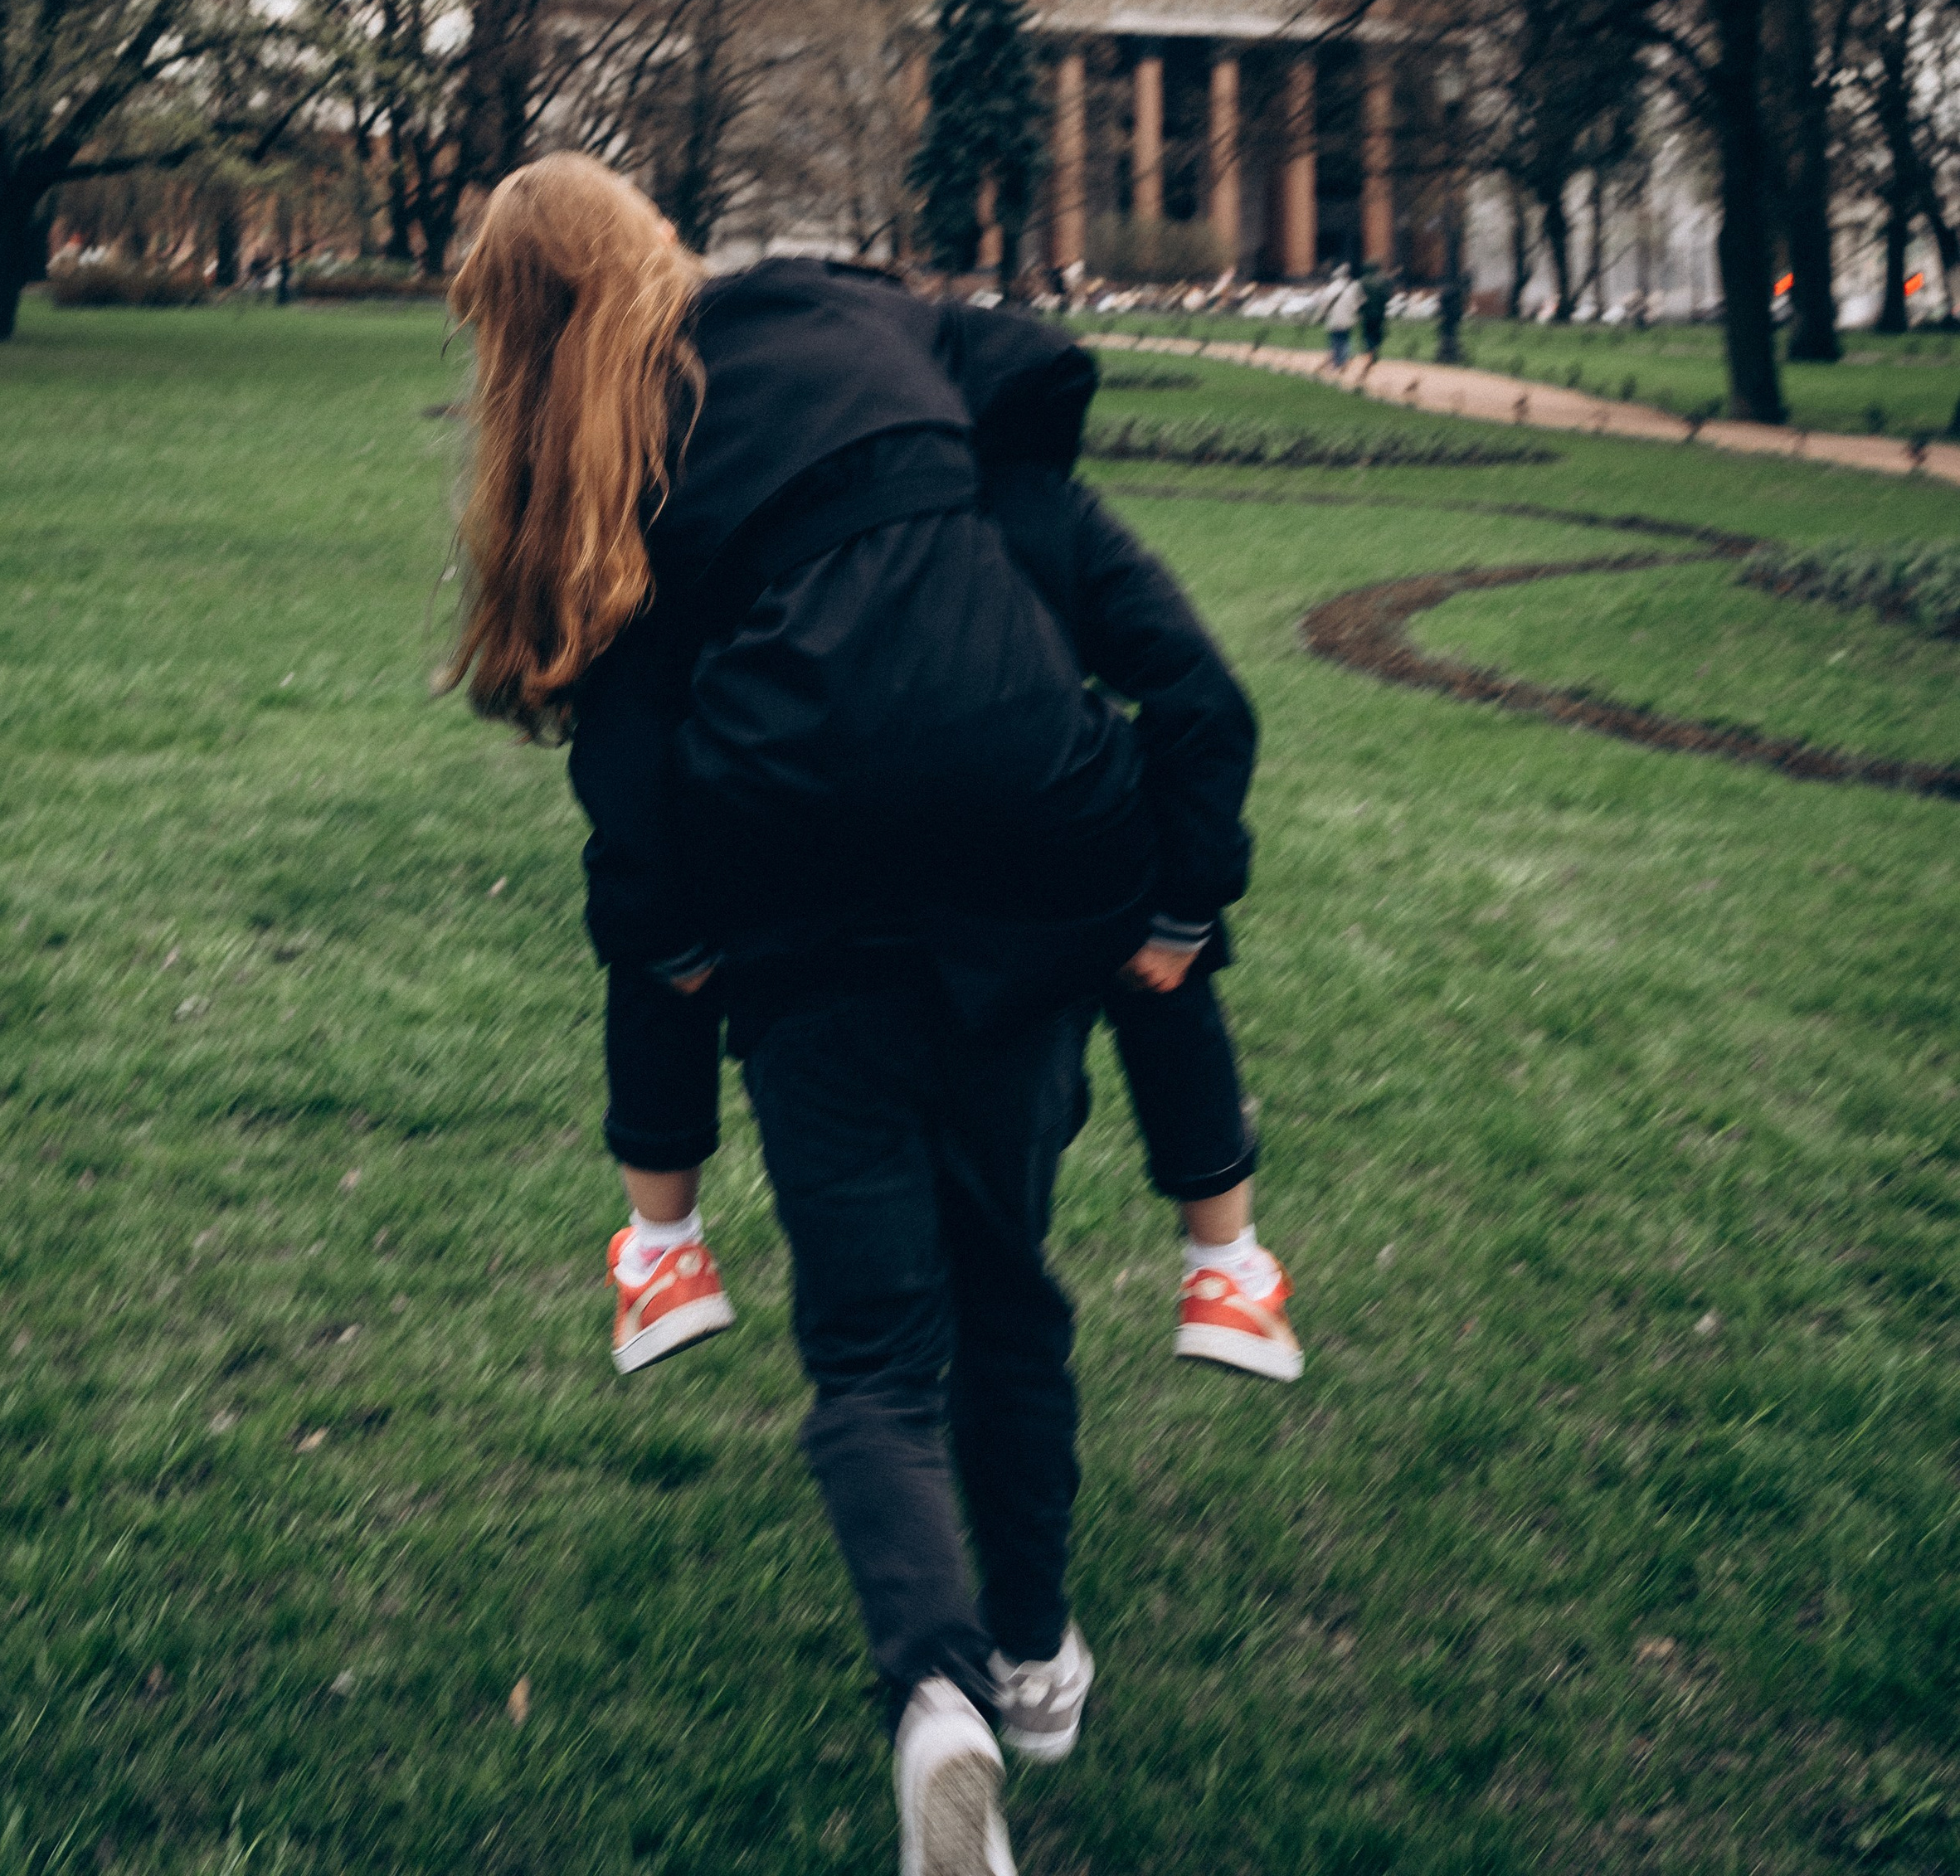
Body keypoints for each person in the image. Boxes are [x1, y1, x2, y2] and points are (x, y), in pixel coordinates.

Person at [445, 158, 1289, 1875]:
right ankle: (1035, 1656)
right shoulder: (942, 431)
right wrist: (1175, 906)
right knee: (1003, 1296)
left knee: (869, 1354)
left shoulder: (627, 471)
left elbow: (631, 779)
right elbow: (1196, 690)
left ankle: (935, 1695)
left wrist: (670, 946)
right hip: (1023, 884)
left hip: (802, 914)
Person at [1319, 260, 1363, 371]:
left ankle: (1337, 362)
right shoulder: (1353, 287)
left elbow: (1324, 304)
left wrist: (1322, 315)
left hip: (1334, 318)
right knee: (1345, 339)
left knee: (1335, 340)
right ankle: (1343, 361)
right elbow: (1358, 303)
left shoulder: (1330, 288)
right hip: (1347, 318)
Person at [1358, 261, 1391, 364]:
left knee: (1367, 332)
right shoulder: (1381, 281)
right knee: (1377, 332)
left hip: (1366, 313)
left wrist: (1360, 309)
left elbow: (1359, 297)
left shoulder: (1362, 281)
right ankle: (1375, 351)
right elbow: (1386, 296)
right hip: (1379, 312)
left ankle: (1369, 351)